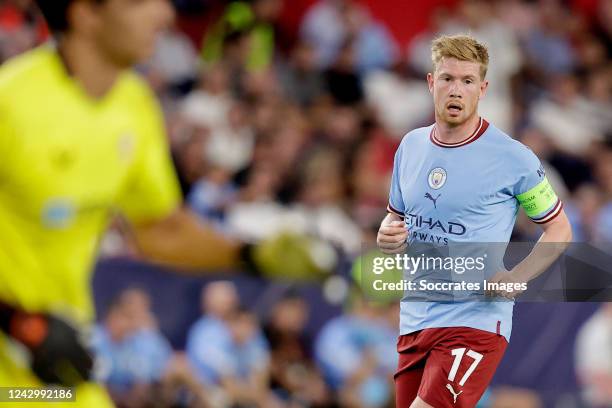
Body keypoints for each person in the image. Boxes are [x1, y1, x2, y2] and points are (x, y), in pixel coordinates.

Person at [0, 0, 324, 405]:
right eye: (139, 2)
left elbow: (159, 228)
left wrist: (252, 254)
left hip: (58, 368)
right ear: (85, 13)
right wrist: (21, 323)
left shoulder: (134, 106)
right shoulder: (9, 102)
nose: (164, 14)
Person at [376, 34, 572, 408]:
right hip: (416, 317)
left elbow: (559, 229)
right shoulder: (411, 147)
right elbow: (395, 219)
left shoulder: (514, 159)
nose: (456, 89)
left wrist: (517, 277)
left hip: (475, 319)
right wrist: (387, 233)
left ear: (482, 89)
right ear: (431, 83)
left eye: (467, 81)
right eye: (447, 78)